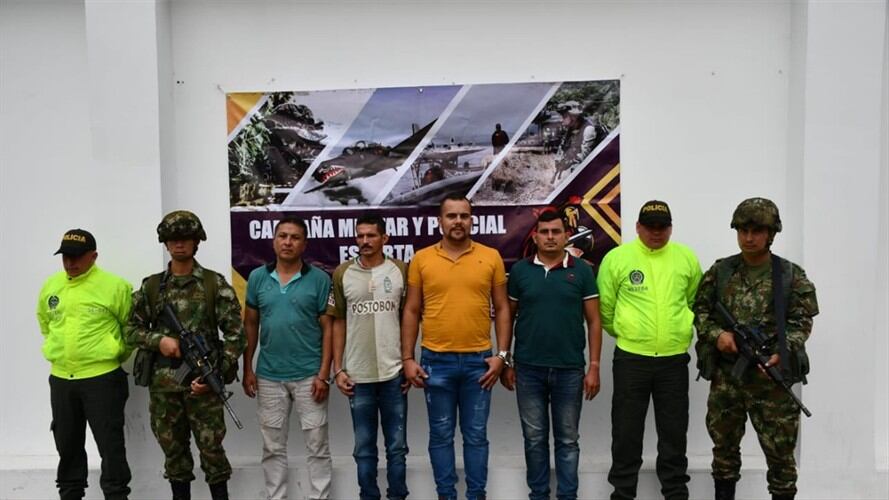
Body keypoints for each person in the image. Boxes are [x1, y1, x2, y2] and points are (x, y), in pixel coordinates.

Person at [693, 198, 818, 500]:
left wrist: (782, 351)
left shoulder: (790, 275)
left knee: (781, 457)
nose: (749, 238)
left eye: (757, 231)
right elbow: (700, 310)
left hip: (771, 380)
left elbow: (802, 320)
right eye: (743, 230)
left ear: (771, 233)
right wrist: (717, 334)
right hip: (727, 379)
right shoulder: (721, 271)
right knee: (724, 452)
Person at [127, 211, 245, 500]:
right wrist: (160, 341)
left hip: (203, 387)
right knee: (174, 456)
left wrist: (217, 372)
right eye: (173, 239)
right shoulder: (152, 287)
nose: (179, 244)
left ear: (196, 243)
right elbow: (130, 330)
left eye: (185, 239)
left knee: (213, 453)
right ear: (166, 244)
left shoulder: (213, 284)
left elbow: (235, 334)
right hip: (165, 388)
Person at [401, 193, 512, 500]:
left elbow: (502, 308)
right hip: (436, 362)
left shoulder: (490, 256)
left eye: (464, 215)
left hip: (480, 363)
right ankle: (446, 496)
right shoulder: (422, 259)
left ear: (471, 219)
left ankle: (477, 496)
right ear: (440, 222)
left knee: (476, 437)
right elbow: (411, 309)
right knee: (440, 436)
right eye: (452, 216)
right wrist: (408, 358)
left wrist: (501, 356)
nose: (458, 221)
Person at [597, 200, 702, 500]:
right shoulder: (617, 258)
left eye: (662, 227)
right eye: (650, 226)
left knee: (673, 433)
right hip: (631, 360)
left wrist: (678, 332)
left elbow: (695, 302)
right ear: (638, 227)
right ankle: (622, 492)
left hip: (673, 361)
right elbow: (606, 308)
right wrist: (629, 333)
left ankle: (675, 492)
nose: (656, 232)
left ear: (670, 228)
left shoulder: (686, 259)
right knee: (626, 433)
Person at [501, 211, 603, 500]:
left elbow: (594, 321)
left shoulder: (581, 271)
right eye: (544, 232)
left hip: (569, 369)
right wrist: (506, 360)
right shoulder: (520, 271)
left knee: (568, 441)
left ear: (566, 235)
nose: (549, 237)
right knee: (534, 440)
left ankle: (568, 496)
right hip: (528, 369)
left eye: (555, 232)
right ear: (534, 237)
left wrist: (594, 366)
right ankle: (539, 495)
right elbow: (508, 316)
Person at [37, 229, 133, 500]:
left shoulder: (116, 286)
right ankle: (70, 495)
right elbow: (45, 324)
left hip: (102, 379)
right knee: (67, 446)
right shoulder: (51, 286)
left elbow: (131, 331)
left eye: (77, 257)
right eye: (66, 257)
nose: (70, 263)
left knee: (110, 447)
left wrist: (111, 353)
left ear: (94, 256)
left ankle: (116, 496)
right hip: (61, 380)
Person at [242, 216, 333, 500]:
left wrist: (323, 374)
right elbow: (250, 325)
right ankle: (276, 496)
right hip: (269, 376)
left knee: (317, 445)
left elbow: (328, 328)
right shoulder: (257, 278)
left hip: (309, 376)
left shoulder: (319, 279)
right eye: (283, 236)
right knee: (272, 448)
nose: (288, 242)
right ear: (274, 241)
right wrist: (248, 368)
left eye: (294, 237)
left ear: (304, 244)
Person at [329, 214, 410, 500]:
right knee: (364, 449)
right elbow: (337, 321)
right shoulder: (342, 274)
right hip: (358, 377)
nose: (364, 241)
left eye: (371, 235)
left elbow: (408, 319)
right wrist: (339, 369)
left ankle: (398, 495)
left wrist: (408, 362)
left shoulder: (401, 270)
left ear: (384, 238)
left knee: (397, 447)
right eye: (360, 236)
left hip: (394, 375)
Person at [551, 101, 599, 184]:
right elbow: (563, 146)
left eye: (564, 116)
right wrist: (559, 159)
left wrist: (568, 163)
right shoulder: (571, 128)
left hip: (598, 164)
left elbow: (585, 158)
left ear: (573, 117)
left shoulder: (588, 130)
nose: (562, 119)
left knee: (575, 169)